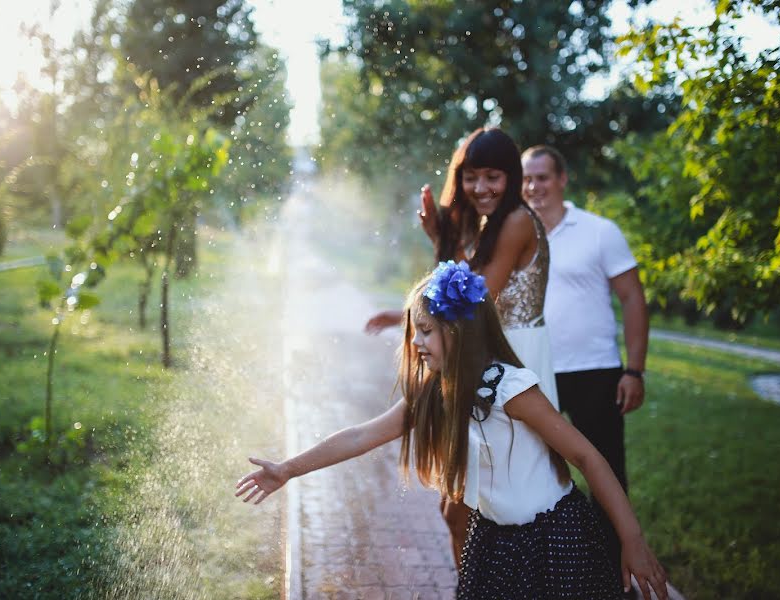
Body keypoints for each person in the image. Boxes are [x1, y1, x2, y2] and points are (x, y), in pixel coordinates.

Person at [237, 262, 668, 600]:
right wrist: (288, 469)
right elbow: (360, 436)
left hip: (554, 541)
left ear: (457, 332)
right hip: (494, 541)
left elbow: (587, 457)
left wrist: (632, 541)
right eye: (414, 333)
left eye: (425, 331)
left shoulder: (509, 388)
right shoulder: (435, 391)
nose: (416, 343)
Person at [365, 128, 557, 566]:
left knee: (488, 507)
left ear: (511, 176)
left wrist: (441, 244)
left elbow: (469, 301)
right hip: (485, 359)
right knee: (464, 506)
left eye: (493, 176)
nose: (481, 188)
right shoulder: (488, 224)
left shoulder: (516, 222)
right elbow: (459, 300)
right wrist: (441, 241)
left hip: (514, 363)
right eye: (471, 177)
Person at [521, 144, 649, 575]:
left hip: (596, 371)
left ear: (562, 179)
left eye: (542, 177)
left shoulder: (599, 231)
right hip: (535, 373)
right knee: (534, 471)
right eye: (527, 178)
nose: (534, 186)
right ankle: (549, 571)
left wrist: (635, 369)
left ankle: (616, 574)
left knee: (606, 473)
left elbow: (633, 298)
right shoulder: (518, 233)